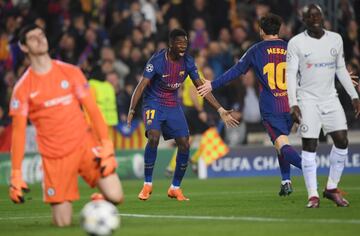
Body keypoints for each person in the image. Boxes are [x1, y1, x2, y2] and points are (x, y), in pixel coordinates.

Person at [8, 24, 124, 226]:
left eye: (41, 35)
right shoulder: (23, 88)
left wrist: (106, 145)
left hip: (84, 145)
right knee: (62, 222)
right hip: (54, 156)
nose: (39, 39)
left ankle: (97, 205)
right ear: (24, 47)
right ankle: (91, 208)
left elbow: (93, 111)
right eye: (33, 38)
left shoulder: (70, 72)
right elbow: (18, 133)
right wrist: (16, 174)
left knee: (116, 195)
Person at [127, 28, 238, 201]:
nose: (182, 46)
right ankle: (147, 184)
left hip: (172, 104)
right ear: (170, 44)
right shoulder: (156, 60)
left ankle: (175, 188)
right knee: (154, 137)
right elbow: (141, 86)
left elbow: (201, 87)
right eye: (179, 43)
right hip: (153, 102)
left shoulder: (188, 61)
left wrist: (220, 109)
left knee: (185, 143)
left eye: (185, 43)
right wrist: (132, 109)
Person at [198, 14, 302, 196]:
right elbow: (308, 70)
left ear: (261, 30)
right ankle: (286, 181)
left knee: (281, 143)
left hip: (271, 105)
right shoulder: (290, 48)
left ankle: (311, 170)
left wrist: (212, 84)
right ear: (279, 29)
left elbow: (236, 71)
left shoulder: (256, 50)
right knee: (280, 144)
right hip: (291, 104)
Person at [286, 4, 360, 208]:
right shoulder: (296, 43)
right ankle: (313, 195)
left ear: (323, 17)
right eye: (310, 16)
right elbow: (290, 74)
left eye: (318, 15)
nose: (315, 18)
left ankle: (331, 188)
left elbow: (341, 69)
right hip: (307, 99)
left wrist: (354, 95)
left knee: (342, 141)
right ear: (304, 20)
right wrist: (293, 103)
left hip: (330, 98)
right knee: (310, 145)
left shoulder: (335, 39)